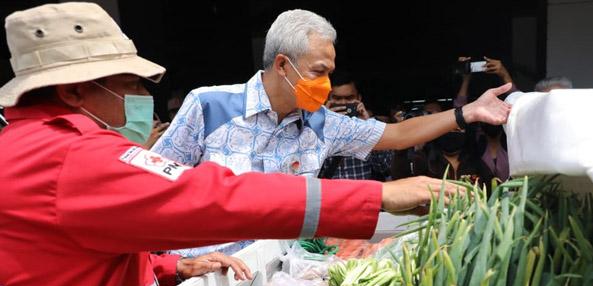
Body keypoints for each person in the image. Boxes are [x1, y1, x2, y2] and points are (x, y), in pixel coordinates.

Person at [0, 2, 458, 286]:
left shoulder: (36, 151)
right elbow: (210, 196)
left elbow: (81, 248)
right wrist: (377, 198)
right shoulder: (74, 159)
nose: (142, 95)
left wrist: (170, 265)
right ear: (76, 91)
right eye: (130, 83)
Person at [153, 9, 510, 177]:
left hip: (283, 278)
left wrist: (467, 113)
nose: (325, 84)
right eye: (318, 72)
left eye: (330, 73)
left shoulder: (322, 124)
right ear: (282, 65)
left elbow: (397, 134)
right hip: (200, 281)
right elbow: (152, 185)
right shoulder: (208, 106)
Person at [319, 70, 393, 181]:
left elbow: (386, 168)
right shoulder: (315, 127)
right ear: (328, 99)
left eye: (349, 98)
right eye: (337, 98)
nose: (343, 103)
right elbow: (310, 174)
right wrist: (324, 125)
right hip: (331, 197)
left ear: (359, 98)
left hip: (363, 196)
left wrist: (368, 128)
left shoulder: (372, 125)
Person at [454, 56, 513, 182]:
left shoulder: (511, 143)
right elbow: (459, 113)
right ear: (481, 122)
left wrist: (504, 74)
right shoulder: (474, 143)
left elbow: (518, 102)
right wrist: (466, 80)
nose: (493, 122)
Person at [392, 128, 494, 190]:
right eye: (447, 130)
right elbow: (401, 180)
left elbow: (493, 187)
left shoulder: (475, 162)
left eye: (457, 130)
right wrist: (403, 147)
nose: (452, 134)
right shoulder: (425, 159)